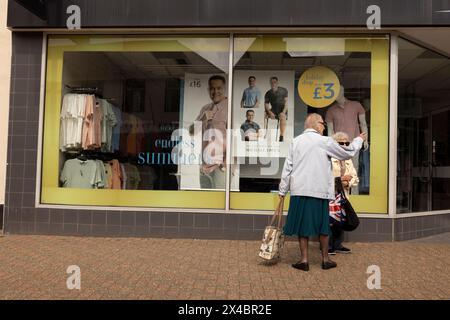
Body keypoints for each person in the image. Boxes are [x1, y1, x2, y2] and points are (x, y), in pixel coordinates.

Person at [279, 113, 366, 271]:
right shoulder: (324, 141)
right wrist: (359, 140)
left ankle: (304, 260)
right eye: (322, 123)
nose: (324, 126)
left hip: (299, 190)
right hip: (319, 191)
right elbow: (348, 152)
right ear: (315, 124)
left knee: (302, 226)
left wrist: (282, 191)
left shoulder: (295, 141)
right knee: (323, 226)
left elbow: (287, 168)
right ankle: (325, 260)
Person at [190, 75, 228, 189]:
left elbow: (234, 138)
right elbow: (192, 131)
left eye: (219, 88)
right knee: (205, 202)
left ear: (224, 89)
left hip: (220, 167)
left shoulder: (230, 108)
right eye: (212, 88)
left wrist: (225, 164)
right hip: (205, 166)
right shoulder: (205, 108)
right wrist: (202, 119)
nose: (215, 91)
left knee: (220, 203)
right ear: (208, 90)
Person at [329, 131, 359, 255]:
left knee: (341, 219)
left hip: (343, 195)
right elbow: (323, 177)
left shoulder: (348, 159)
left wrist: (348, 183)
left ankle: (337, 245)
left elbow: (355, 178)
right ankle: (328, 245)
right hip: (330, 194)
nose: (345, 145)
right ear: (335, 144)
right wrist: (340, 180)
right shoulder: (329, 157)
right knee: (330, 220)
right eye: (342, 142)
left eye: (347, 143)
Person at [264, 77, 288, 142]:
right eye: (271, 82)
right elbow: (266, 105)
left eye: (274, 82)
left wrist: (283, 112)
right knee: (265, 114)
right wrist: (269, 112)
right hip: (274, 109)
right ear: (270, 83)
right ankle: (265, 132)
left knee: (282, 116)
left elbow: (286, 103)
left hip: (282, 109)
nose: (273, 84)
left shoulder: (283, 90)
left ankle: (281, 136)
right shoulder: (268, 93)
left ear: (277, 83)